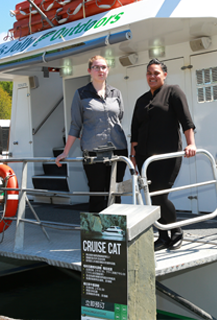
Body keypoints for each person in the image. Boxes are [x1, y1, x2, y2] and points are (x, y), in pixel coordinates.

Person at [130, 59, 197, 251]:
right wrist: (133, 156)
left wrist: (191, 143)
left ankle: (175, 230)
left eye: (156, 73)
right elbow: (135, 130)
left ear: (164, 75)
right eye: (149, 73)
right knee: (151, 197)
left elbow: (186, 120)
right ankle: (162, 236)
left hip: (167, 155)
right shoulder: (141, 100)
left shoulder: (173, 92)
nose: (152, 76)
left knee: (159, 195)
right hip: (144, 158)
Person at [55, 55, 128, 213]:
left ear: (107, 70)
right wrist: (65, 151)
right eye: (97, 67)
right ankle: (98, 234)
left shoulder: (116, 93)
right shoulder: (81, 94)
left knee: (115, 192)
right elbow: (76, 125)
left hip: (118, 148)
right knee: (97, 192)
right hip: (94, 152)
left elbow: (119, 117)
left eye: (103, 67)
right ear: (90, 70)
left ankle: (116, 232)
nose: (100, 70)